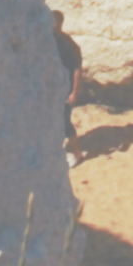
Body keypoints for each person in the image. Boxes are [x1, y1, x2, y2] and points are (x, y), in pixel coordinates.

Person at [52, 9, 84, 163]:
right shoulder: (48, 39)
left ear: (57, 23)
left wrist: (74, 92)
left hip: (66, 88)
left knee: (64, 121)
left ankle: (78, 154)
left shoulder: (68, 45)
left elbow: (77, 69)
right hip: (53, 87)